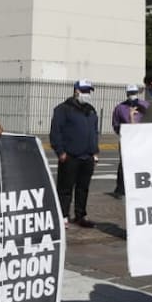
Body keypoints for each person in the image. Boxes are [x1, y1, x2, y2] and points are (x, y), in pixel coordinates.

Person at [50, 79, 100, 227]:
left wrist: (95, 151)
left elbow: (94, 131)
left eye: (89, 92)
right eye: (84, 91)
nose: (87, 94)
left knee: (83, 187)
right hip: (70, 155)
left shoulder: (90, 110)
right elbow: (56, 132)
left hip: (87, 156)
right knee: (65, 188)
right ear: (76, 91)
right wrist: (60, 152)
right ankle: (63, 215)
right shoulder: (63, 109)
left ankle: (81, 215)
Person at [109, 84, 147, 198]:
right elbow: (115, 124)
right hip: (126, 140)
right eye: (130, 93)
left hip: (142, 139)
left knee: (141, 164)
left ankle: (140, 188)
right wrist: (124, 131)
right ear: (126, 94)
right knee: (123, 164)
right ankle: (120, 190)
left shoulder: (145, 106)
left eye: (134, 93)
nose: (132, 96)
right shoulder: (120, 108)